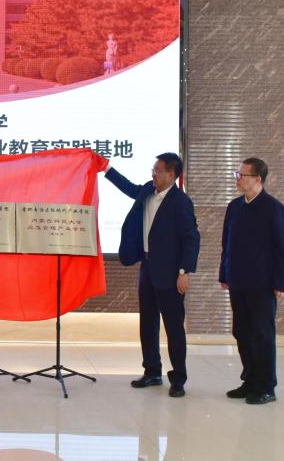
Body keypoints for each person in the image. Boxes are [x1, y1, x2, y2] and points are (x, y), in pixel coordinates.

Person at [105, 152, 200, 397]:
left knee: (173, 326)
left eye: (157, 170)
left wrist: (184, 271)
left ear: (171, 174)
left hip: (170, 272)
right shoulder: (148, 190)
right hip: (147, 268)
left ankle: (178, 378)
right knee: (148, 323)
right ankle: (152, 371)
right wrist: (107, 169)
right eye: (153, 170)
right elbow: (129, 188)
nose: (153, 174)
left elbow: (191, 239)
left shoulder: (180, 202)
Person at [220, 157, 284, 406]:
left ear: (258, 179)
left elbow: (283, 249)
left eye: (242, 175)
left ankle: (266, 386)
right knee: (241, 332)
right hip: (237, 280)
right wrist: (224, 273)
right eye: (237, 174)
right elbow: (227, 243)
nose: (237, 179)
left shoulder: (274, 209)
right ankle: (250, 380)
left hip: (262, 284)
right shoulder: (234, 206)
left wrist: (280, 283)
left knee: (262, 334)